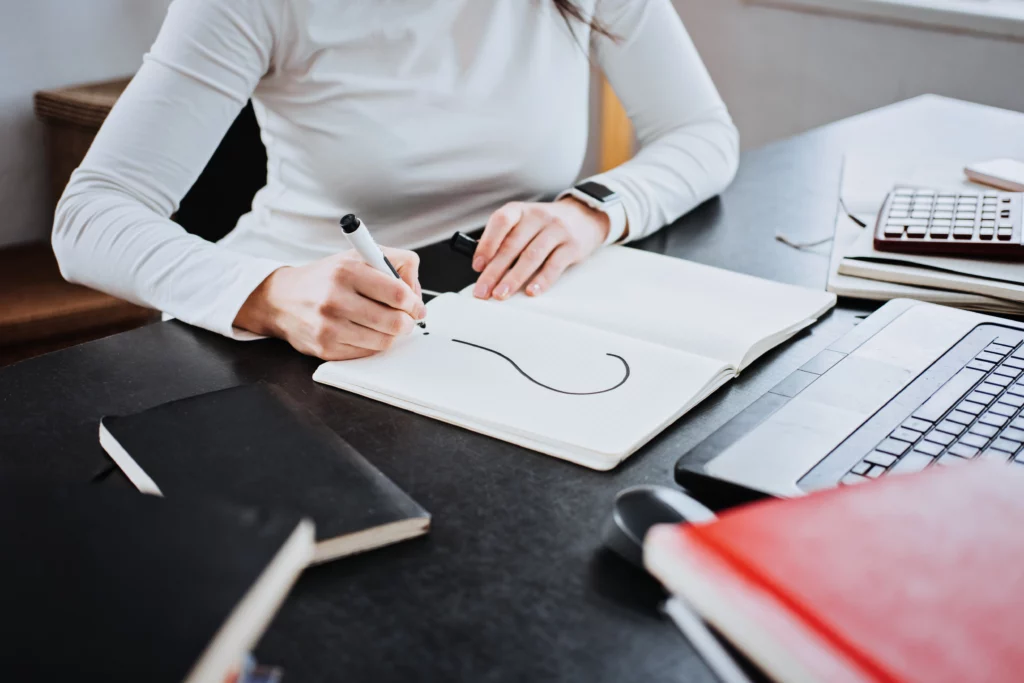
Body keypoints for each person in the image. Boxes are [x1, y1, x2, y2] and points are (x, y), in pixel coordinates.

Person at [53, 0, 739, 361]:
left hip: (490, 321)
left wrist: (589, 211)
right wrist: (268, 293)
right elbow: (89, 217)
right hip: (284, 340)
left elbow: (703, 133)